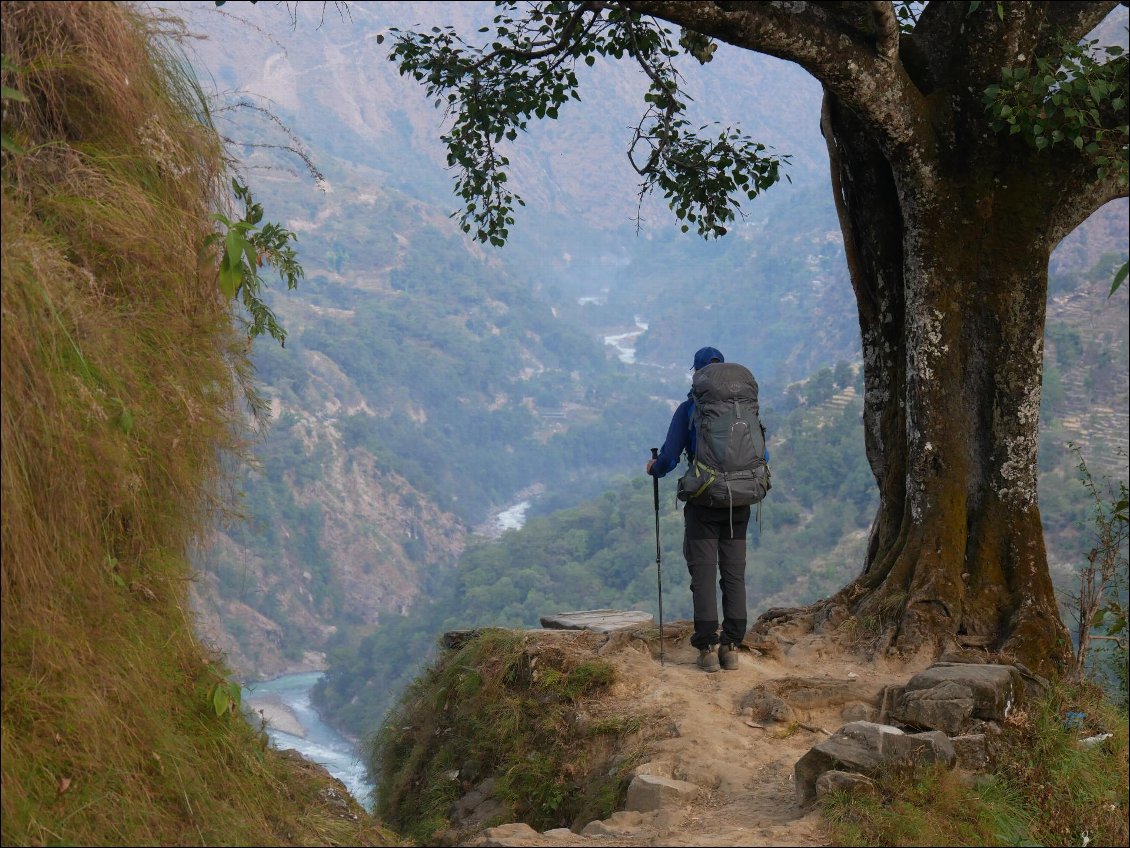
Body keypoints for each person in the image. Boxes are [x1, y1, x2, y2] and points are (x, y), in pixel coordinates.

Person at [646, 346, 751, 673]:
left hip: (704, 502)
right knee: (733, 573)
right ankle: (732, 647)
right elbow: (763, 457)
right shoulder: (744, 409)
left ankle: (707, 648)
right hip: (739, 502)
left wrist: (654, 468)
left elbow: (669, 457)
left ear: (698, 373)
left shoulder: (689, 409)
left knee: (704, 574)